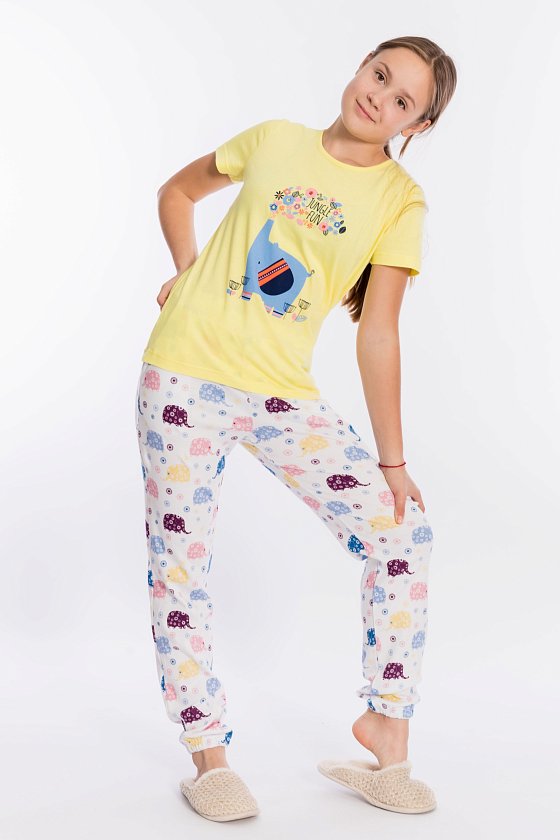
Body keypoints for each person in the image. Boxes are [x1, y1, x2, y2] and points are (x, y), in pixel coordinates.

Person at [135, 35, 457, 820]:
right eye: (379, 75)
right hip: (183, 378)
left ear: (415, 124)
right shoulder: (275, 139)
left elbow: (378, 332)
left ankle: (386, 733)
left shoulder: (400, 200)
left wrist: (391, 463)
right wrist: (186, 268)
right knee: (182, 567)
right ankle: (209, 756)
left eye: (403, 99)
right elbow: (176, 192)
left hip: (282, 396)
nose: (379, 97)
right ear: (360, 67)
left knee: (402, 535)